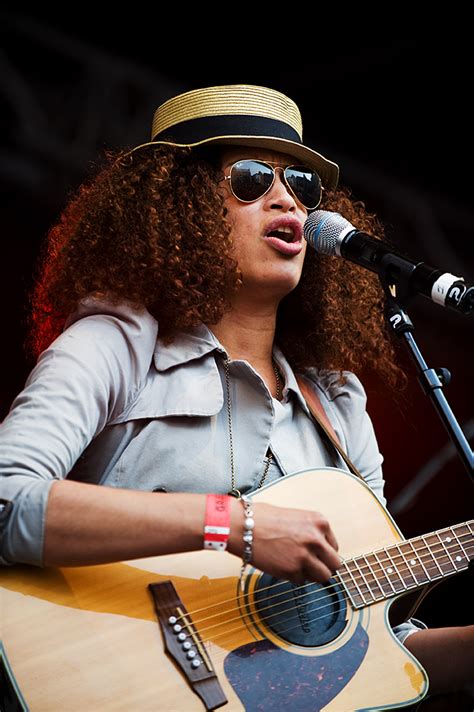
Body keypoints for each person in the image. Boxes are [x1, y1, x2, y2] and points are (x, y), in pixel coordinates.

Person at [0, 84, 472, 705]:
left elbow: (375, 642)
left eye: (302, 184)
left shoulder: (338, 403)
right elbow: (7, 499)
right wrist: (236, 524)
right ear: (179, 205)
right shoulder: (115, 345)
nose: (286, 198)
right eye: (251, 178)